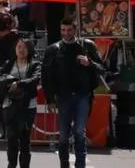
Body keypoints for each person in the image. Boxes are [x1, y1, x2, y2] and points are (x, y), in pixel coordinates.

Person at [42, 19, 106, 168]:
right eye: (63, 30)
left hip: (83, 95)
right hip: (63, 96)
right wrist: (50, 99)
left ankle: (80, 164)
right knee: (63, 135)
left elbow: (102, 68)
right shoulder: (53, 49)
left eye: (69, 30)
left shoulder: (88, 46)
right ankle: (64, 163)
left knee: (79, 132)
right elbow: (46, 76)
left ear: (75, 30)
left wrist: (89, 62)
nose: (66, 33)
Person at [0, 40, 41, 168]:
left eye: (24, 47)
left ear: (29, 50)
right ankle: (11, 164)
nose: (21, 50)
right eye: (19, 47)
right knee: (11, 137)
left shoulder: (35, 64)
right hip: (9, 105)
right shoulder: (8, 64)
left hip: (27, 106)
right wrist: (7, 86)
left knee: (24, 139)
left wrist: (19, 84)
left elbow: (35, 79)